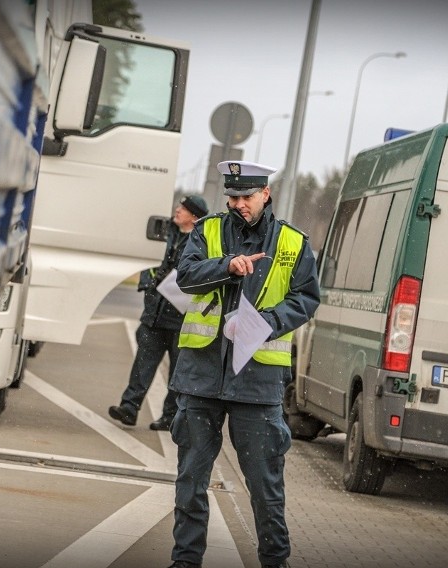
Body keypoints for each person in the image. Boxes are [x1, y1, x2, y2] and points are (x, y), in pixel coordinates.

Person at [166, 161, 320, 568]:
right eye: (232, 197)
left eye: (246, 197)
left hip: (257, 382)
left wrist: (268, 323)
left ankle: (274, 561)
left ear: (265, 193)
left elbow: (306, 298)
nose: (238, 204)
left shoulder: (292, 242)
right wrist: (228, 266)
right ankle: (185, 562)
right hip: (202, 377)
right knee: (191, 482)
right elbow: (185, 276)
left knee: (266, 488)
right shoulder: (209, 230)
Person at [108, 195, 209, 430]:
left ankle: (169, 417)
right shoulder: (164, 234)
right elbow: (149, 261)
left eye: (183, 209)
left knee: (177, 372)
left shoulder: (202, 241)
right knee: (143, 363)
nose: (177, 210)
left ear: (194, 217)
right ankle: (129, 408)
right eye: (179, 206)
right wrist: (147, 284)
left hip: (180, 318)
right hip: (154, 312)